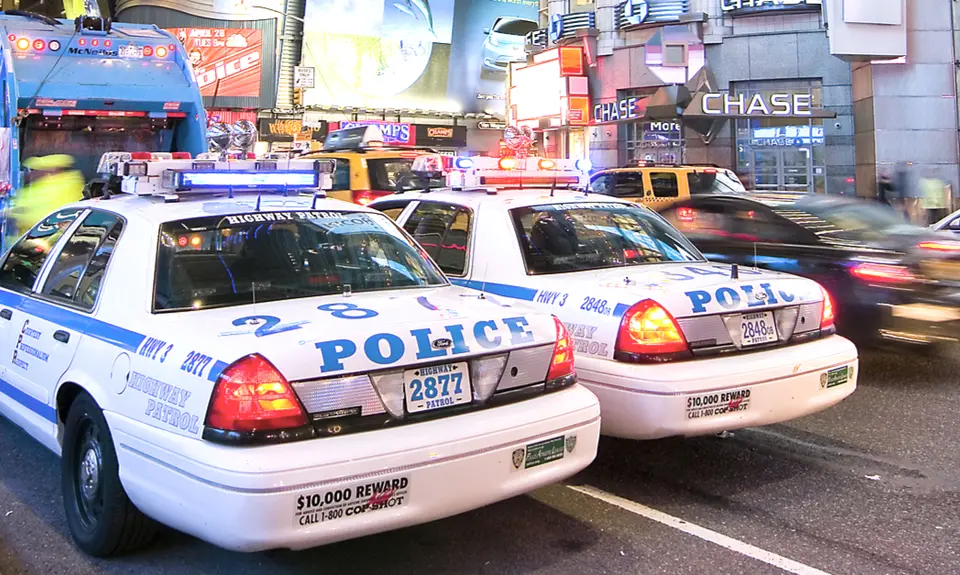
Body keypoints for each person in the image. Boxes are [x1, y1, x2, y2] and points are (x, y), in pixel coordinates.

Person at [8, 154, 84, 243]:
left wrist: (14, 215)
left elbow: (38, 216)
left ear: (50, 170)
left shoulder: (63, 186)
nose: (31, 174)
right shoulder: (41, 186)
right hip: (31, 239)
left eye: (35, 170)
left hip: (46, 240)